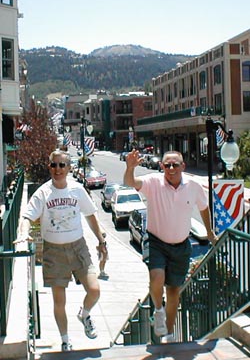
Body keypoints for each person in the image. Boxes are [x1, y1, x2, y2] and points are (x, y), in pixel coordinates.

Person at [14, 149, 107, 352]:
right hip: (54, 252)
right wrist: (23, 234)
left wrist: (100, 240)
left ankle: (85, 314)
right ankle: (65, 340)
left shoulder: (77, 190)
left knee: (94, 290)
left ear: (68, 168)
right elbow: (27, 217)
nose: (57, 169)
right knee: (59, 301)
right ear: (49, 167)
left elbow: (91, 215)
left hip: (78, 247)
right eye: (54, 165)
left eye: (62, 165)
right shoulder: (43, 193)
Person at [124, 149, 218, 342]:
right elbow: (130, 183)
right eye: (167, 165)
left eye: (175, 164)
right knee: (156, 275)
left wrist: (209, 232)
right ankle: (158, 311)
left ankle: (168, 333)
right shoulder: (153, 182)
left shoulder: (193, 186)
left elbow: (204, 207)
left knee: (174, 290)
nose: (171, 168)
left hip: (181, 245)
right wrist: (130, 168)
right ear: (162, 167)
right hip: (156, 241)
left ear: (183, 166)